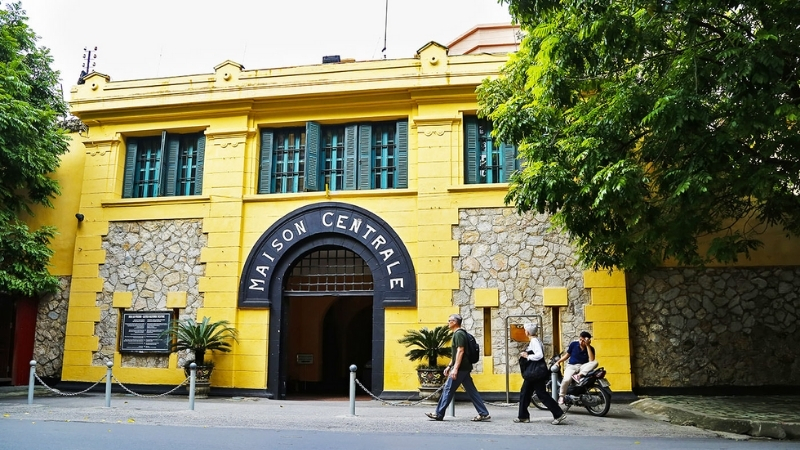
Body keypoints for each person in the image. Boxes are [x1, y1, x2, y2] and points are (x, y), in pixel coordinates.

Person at [425, 314, 491, 422]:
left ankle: (438, 413)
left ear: (455, 322)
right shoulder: (460, 333)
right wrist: (449, 366)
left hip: (460, 368)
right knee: (471, 391)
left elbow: (460, 351)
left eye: (449, 320)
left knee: (448, 389)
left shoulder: (459, 334)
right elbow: (456, 353)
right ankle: (483, 413)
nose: (448, 322)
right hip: (464, 367)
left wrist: (455, 369)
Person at [515, 323, 567, 425]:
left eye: (525, 330)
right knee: (526, 393)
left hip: (534, 373)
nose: (525, 331)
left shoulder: (534, 341)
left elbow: (539, 355)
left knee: (539, 394)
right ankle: (523, 416)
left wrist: (527, 356)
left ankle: (559, 414)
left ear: (528, 332)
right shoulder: (536, 340)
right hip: (535, 373)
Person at [554, 330, 597, 404]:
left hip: (583, 367)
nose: (581, 342)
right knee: (566, 379)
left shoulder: (590, 348)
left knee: (595, 362)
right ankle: (561, 396)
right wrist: (558, 362)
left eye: (583, 340)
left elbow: (591, 360)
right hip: (572, 366)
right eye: (580, 339)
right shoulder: (573, 344)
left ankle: (578, 376)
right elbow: (567, 355)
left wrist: (587, 346)